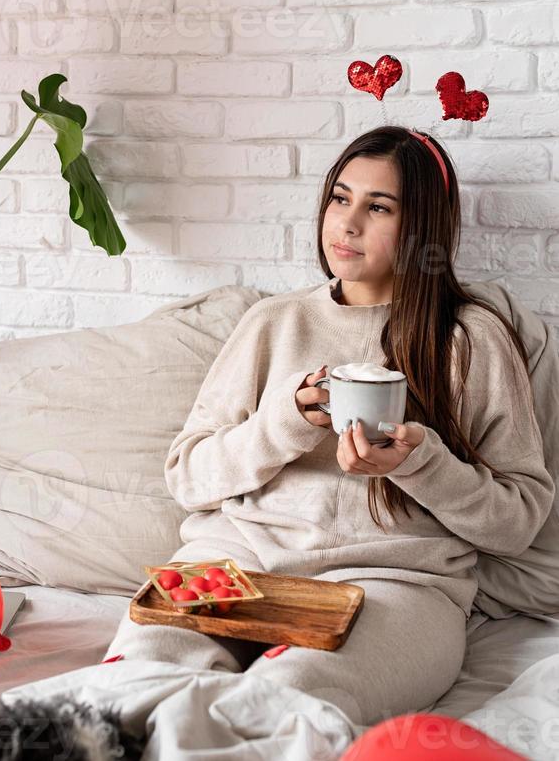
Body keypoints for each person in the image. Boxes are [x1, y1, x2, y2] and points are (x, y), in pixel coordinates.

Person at [103, 125, 555, 729]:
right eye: (340, 199)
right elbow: (188, 476)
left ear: (423, 228)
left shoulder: (471, 339)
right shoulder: (273, 323)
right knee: (130, 684)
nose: (348, 223)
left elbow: (517, 522)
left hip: (395, 582)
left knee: (284, 705)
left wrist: (421, 464)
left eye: (379, 207)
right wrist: (284, 424)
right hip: (240, 557)